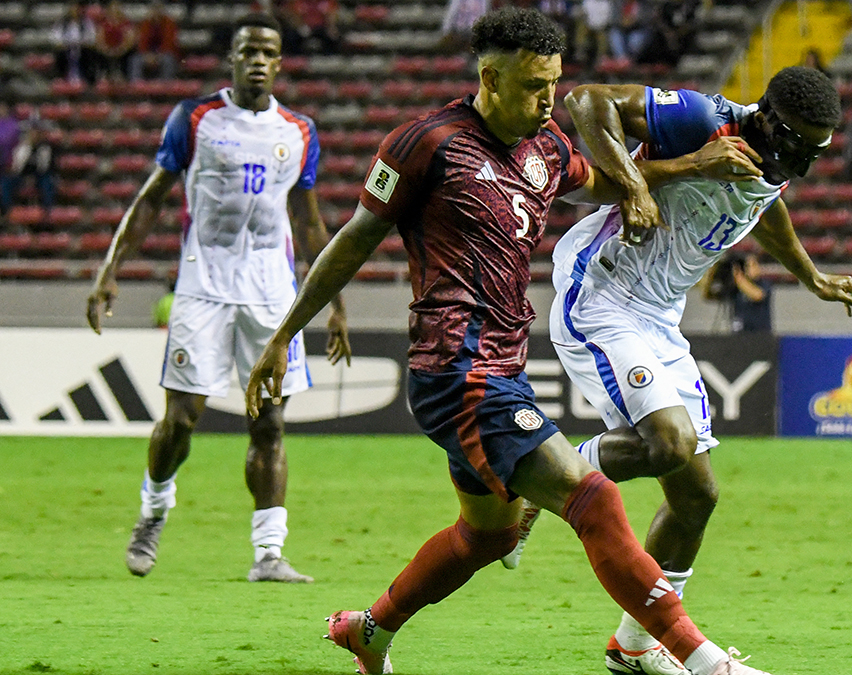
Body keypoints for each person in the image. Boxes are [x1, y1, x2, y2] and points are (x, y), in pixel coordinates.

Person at [245, 9, 774, 675]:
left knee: (486, 535)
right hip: (456, 369)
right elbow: (354, 237)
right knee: (594, 497)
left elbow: (601, 182)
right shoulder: (426, 143)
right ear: (489, 78)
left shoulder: (543, 147)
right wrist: (284, 333)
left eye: (553, 84)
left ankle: (371, 629)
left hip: (503, 370)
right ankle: (701, 661)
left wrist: (681, 166)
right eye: (532, 87)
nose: (549, 100)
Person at [503, 67, 852, 673]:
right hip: (603, 292)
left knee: (697, 495)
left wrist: (811, 276)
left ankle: (634, 645)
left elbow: (763, 208)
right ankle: (537, 479)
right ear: (767, 120)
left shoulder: (774, 163)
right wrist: (637, 185)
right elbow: (586, 101)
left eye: (816, 150)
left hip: (657, 314)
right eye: (797, 145)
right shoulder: (705, 119)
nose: (802, 162)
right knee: (671, 443)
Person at [85, 13, 350, 583]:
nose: (257, 60)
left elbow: (308, 223)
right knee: (181, 420)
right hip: (203, 285)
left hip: (270, 292)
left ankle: (268, 554)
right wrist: (110, 271)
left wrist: (334, 304)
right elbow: (152, 198)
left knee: (270, 425)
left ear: (280, 63)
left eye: (268, 52)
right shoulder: (196, 118)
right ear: (232, 59)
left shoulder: (299, 131)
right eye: (248, 51)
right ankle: (153, 510)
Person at [700, 251, 774, 333]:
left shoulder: (763, 283)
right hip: (738, 334)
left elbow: (757, 295)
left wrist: (738, 277)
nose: (747, 268)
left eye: (750, 265)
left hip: (759, 334)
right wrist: (713, 273)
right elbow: (711, 296)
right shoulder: (734, 286)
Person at [2, 121, 57, 213]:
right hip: (22, 175)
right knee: (6, 182)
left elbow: (45, 167)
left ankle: (47, 211)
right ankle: (7, 211)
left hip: (40, 175)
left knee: (48, 183)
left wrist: (33, 178)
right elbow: (17, 165)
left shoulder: (46, 147)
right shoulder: (22, 146)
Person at [131, 1, 180, 81]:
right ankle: (136, 85)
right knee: (135, 60)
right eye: (154, 9)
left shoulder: (169, 23)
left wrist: (157, 56)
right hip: (148, 54)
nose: (156, 11)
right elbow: (142, 42)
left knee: (168, 60)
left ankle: (166, 84)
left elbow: (169, 43)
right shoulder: (145, 23)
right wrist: (147, 55)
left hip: (164, 53)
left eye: (158, 9)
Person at [51, 2, 99, 84]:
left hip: (82, 47)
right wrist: (63, 44)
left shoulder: (86, 22)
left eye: (77, 9)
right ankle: (62, 76)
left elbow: (92, 36)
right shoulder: (62, 23)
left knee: (88, 54)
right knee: (61, 54)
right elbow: (55, 37)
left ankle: (86, 78)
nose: (75, 11)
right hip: (67, 47)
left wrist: (82, 43)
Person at [95, 1, 137, 82]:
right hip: (107, 50)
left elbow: (130, 39)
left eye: (117, 8)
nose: (115, 10)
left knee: (130, 53)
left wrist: (120, 50)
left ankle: (124, 77)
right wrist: (106, 49)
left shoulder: (126, 23)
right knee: (97, 53)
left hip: (122, 51)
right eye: (113, 8)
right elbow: (99, 39)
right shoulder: (103, 23)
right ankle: (104, 76)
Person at [0, 101, 24, 219]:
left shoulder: (13, 125)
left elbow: (6, 141)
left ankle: (6, 214)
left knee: (5, 186)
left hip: (8, 167)